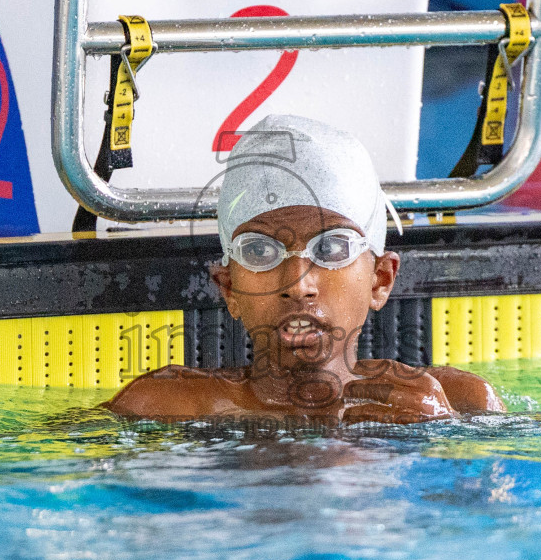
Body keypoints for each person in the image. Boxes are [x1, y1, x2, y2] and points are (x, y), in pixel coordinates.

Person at [106, 115, 504, 425]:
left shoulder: (459, 402)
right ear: (229, 289)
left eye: (332, 247)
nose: (298, 284)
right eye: (260, 250)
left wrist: (440, 432)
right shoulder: (168, 405)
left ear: (380, 280)